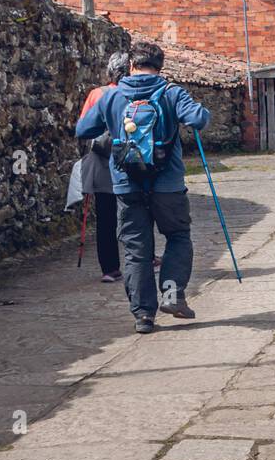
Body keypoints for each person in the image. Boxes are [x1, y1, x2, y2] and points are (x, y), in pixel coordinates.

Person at [75, 40, 211, 334]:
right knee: (177, 236)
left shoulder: (112, 96)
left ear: (131, 66)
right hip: (168, 183)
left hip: (125, 183)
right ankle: (173, 295)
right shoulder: (171, 92)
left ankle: (143, 316)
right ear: (160, 67)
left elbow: (83, 130)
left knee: (137, 250)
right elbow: (199, 119)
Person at [76, 51, 130, 283]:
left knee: (106, 218)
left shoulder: (96, 94)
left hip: (101, 163)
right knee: (135, 212)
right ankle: (142, 258)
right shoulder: (132, 94)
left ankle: (109, 268)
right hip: (129, 163)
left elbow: (83, 128)